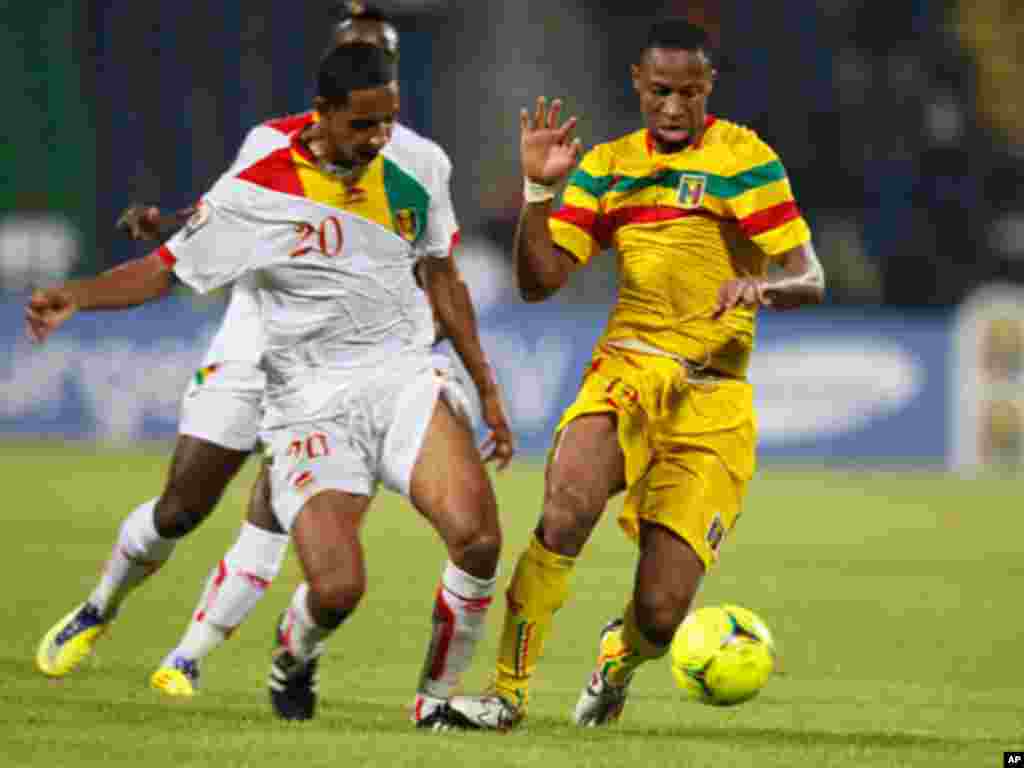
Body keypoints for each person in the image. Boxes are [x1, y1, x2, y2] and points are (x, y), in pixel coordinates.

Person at [28, 43, 515, 729]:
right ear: (321, 115)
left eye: (388, 123)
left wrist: (486, 387)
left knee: (479, 540)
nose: (379, 140)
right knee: (336, 587)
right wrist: (78, 295)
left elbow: (442, 274)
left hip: (401, 376)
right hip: (307, 401)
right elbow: (163, 268)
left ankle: (434, 703)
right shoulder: (257, 187)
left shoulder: (417, 169)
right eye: (363, 126)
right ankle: (293, 649)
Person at [448, 18, 825, 728]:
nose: (675, 108)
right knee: (565, 510)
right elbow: (539, 281)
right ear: (638, 86)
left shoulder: (746, 159)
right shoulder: (609, 166)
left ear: (709, 86)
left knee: (660, 613)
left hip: (712, 400)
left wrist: (762, 289)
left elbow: (810, 275)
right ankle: (506, 696)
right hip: (627, 370)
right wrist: (536, 193)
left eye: (689, 92)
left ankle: (617, 660)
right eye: (660, 92)